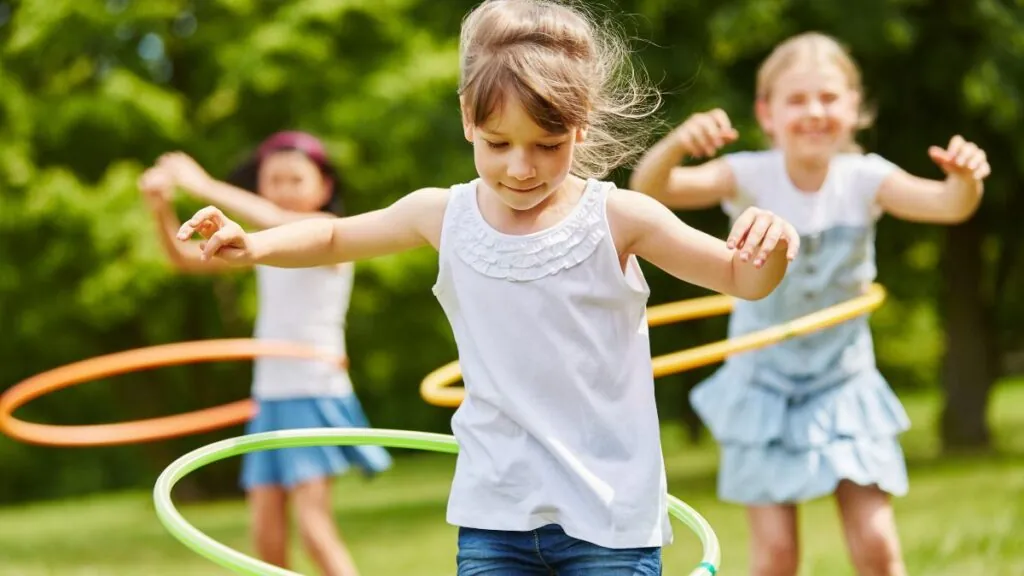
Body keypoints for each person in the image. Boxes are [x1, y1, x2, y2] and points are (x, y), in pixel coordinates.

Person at [171, 1, 801, 573]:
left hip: (611, 516)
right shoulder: (441, 215)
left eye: (546, 145)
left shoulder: (619, 217)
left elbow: (742, 278)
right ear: (468, 119)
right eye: (499, 143)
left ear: (580, 128)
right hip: (496, 512)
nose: (520, 168)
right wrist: (253, 245)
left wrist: (772, 242)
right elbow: (333, 238)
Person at [629, 31, 990, 576]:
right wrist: (677, 143)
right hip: (762, 384)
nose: (814, 112)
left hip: (842, 383)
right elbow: (651, 191)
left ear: (855, 109)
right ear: (766, 114)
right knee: (775, 556)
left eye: (829, 97)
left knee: (877, 546)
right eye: (796, 100)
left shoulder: (866, 177)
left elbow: (949, 205)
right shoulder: (749, 174)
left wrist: (966, 180)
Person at [138, 130, 392, 576]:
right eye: (273, 179)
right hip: (270, 397)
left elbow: (280, 220)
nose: (284, 189)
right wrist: (160, 208)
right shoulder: (262, 243)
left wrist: (203, 186)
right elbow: (183, 260)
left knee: (314, 528)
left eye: (296, 179)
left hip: (311, 392)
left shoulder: (334, 241)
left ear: (325, 187)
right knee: (265, 537)